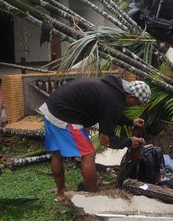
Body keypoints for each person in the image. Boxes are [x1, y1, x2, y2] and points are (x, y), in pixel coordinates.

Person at [39, 74, 151, 202]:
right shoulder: (114, 100)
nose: (133, 107)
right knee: (88, 154)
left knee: (57, 153)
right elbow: (105, 140)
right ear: (131, 96)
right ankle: (95, 198)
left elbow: (109, 113)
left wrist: (131, 122)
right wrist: (129, 142)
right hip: (65, 114)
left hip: (52, 105)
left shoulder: (114, 87)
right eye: (136, 103)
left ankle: (61, 194)